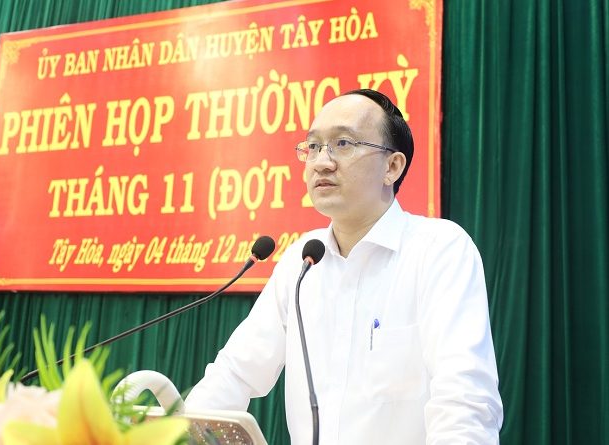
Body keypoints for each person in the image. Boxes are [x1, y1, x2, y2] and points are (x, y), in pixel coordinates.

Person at [185, 89, 503, 444]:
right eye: (313, 146)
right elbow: (234, 374)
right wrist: (178, 435)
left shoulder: (439, 250)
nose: (322, 162)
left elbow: (465, 403)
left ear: (392, 167)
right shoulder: (302, 260)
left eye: (343, 144)